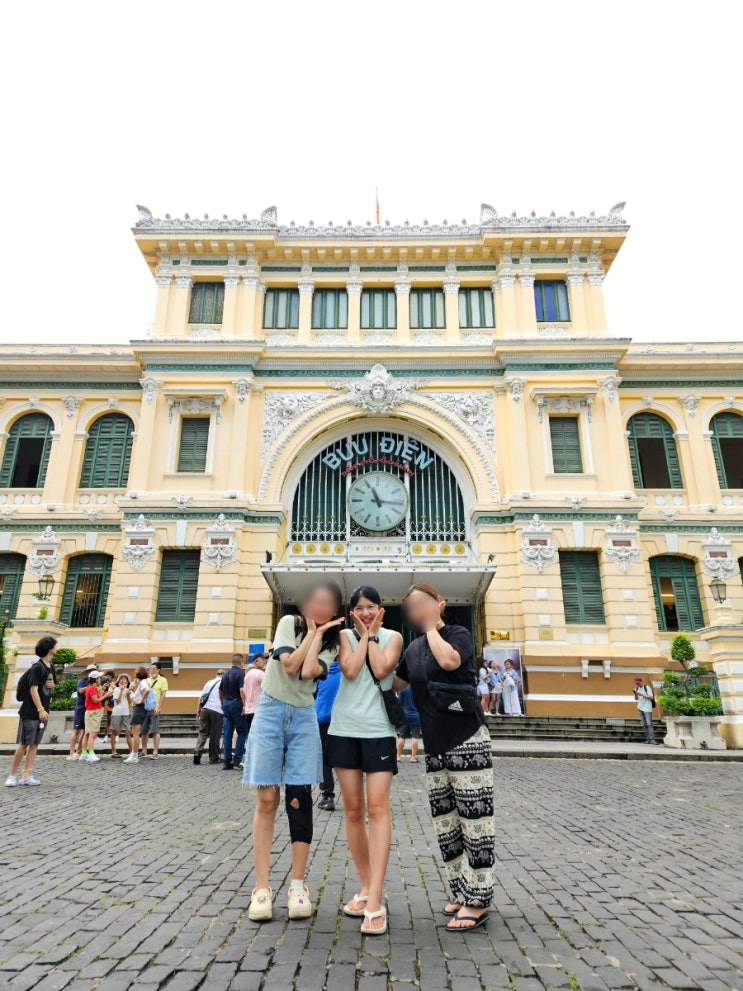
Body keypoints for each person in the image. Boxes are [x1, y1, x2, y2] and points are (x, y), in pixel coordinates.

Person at [243, 580, 344, 924]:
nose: (319, 606)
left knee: (299, 797)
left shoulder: (332, 643)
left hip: (303, 715)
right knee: (266, 798)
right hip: (271, 711)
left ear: (335, 610)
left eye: (327, 602)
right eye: (314, 599)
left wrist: (319, 636)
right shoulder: (288, 623)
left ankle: (298, 885)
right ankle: (261, 887)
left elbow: (306, 671)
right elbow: (288, 666)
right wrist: (312, 632)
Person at [397, 583, 495, 934]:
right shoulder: (413, 649)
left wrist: (429, 627)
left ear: (440, 603)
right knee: (447, 824)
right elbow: (394, 682)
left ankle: (478, 900)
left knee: (475, 820)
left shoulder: (458, 634)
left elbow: (449, 660)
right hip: (435, 744)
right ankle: (460, 890)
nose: (418, 610)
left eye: (423, 603)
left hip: (467, 738)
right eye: (412, 607)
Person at [327, 585, 403, 937]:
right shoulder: (344, 636)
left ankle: (374, 900)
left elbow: (383, 668)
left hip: (378, 731)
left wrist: (371, 636)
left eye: (371, 606)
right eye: (359, 608)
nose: (366, 612)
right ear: (351, 612)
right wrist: (361, 636)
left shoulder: (394, 637)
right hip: (344, 728)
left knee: (378, 808)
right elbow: (351, 670)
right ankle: (366, 885)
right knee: (354, 810)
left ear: (381, 609)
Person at [6, 636, 57, 787]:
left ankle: (26, 775)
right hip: (31, 711)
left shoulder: (51, 666)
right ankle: (12, 775)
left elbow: (50, 685)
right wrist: (40, 709)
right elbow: (33, 690)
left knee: (34, 744)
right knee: (24, 744)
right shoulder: (37, 667)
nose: (56, 647)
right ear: (49, 649)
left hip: (43, 711)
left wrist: (52, 685)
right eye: (55, 645)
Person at [315, 654, 341, 811]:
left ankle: (328, 795)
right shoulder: (346, 673)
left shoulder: (319, 672)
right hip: (340, 719)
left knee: (324, 757)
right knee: (344, 757)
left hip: (322, 718)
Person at [220, 653, 247, 770]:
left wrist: (222, 702)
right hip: (236, 704)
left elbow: (220, 690)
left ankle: (226, 761)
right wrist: (245, 704)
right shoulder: (240, 674)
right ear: (241, 662)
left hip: (226, 704)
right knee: (242, 731)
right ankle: (237, 758)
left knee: (227, 733)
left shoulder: (226, 674)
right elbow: (242, 690)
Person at [194, 668, 225, 765]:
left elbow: (201, 697)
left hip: (205, 709)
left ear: (216, 674)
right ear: (224, 675)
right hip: (217, 710)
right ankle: (213, 757)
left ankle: (197, 752)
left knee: (203, 732)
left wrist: (198, 711)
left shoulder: (209, 683)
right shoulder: (224, 683)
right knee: (215, 734)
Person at [67, 662, 98, 760]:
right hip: (81, 708)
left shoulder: (95, 683)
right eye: (91, 671)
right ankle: (71, 752)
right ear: (87, 672)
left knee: (86, 731)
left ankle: (79, 751)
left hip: (89, 709)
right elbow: (80, 690)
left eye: (94, 671)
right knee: (76, 730)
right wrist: (91, 687)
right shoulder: (82, 681)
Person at [80, 671, 111, 763]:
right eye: (99, 678)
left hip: (90, 712)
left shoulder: (91, 688)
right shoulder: (93, 688)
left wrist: (103, 690)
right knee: (92, 734)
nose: (100, 680)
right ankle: (91, 754)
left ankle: (84, 753)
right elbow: (96, 701)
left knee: (87, 734)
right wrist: (106, 695)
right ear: (95, 679)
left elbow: (97, 697)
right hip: (93, 713)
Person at [125, 666, 151, 764]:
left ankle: (134, 755)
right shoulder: (143, 682)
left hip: (139, 708)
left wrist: (141, 700)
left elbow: (147, 690)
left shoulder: (143, 682)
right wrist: (131, 691)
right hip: (139, 708)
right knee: (135, 732)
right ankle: (133, 754)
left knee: (135, 733)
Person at [242, 653, 268, 737]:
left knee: (250, 736)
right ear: (256, 661)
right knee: (259, 736)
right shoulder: (260, 673)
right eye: (262, 659)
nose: (265, 661)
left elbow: (243, 691)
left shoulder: (247, 674)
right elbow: (268, 688)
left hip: (248, 710)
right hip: (258, 710)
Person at [147, 661, 168, 759]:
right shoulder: (147, 680)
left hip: (155, 708)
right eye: (150, 669)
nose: (152, 670)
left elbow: (163, 695)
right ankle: (144, 751)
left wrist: (158, 707)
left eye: (154, 669)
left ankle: (155, 752)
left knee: (155, 731)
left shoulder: (163, 680)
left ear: (158, 670)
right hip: (145, 708)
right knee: (144, 731)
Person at [396, 686, 422, 763]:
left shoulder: (402, 688)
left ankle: (398, 756)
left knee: (402, 736)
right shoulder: (418, 688)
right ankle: (413, 757)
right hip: (416, 716)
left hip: (405, 715)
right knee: (415, 736)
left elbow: (399, 702)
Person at [110, 674, 132, 758]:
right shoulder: (116, 690)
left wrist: (128, 694)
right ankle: (113, 751)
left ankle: (132, 751)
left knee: (128, 732)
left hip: (125, 712)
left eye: (124, 679)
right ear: (118, 681)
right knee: (114, 731)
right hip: (117, 713)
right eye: (121, 679)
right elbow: (117, 701)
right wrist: (121, 691)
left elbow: (129, 702)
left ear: (127, 682)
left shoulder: (128, 690)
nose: (122, 681)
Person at [633, 676, 658, 744]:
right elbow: (636, 699)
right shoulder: (636, 688)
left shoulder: (647, 688)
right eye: (636, 683)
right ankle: (648, 739)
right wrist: (636, 694)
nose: (637, 684)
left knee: (649, 723)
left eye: (638, 683)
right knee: (644, 724)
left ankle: (652, 739)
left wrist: (642, 694)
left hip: (647, 708)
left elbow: (651, 697)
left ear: (641, 681)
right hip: (640, 707)